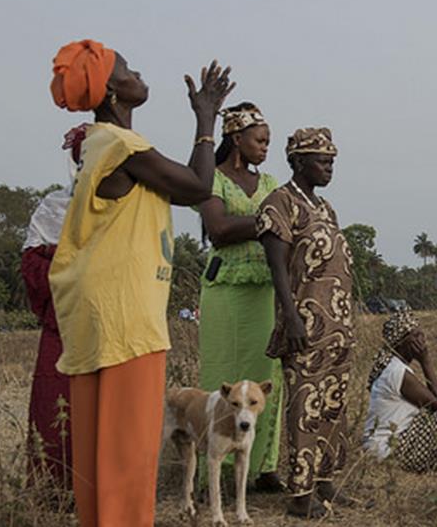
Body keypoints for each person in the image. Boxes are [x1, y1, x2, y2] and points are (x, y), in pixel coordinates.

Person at [48, 39, 234, 526]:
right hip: (125, 313)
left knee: (98, 446)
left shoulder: (100, 145)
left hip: (97, 311)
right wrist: (207, 118)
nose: (139, 73)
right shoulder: (124, 146)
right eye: (129, 70)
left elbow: (179, 187)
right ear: (113, 90)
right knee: (128, 449)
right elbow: (197, 187)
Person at [258, 127, 355, 518]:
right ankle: (300, 497)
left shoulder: (326, 208)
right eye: (321, 160)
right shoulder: (279, 204)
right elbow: (277, 267)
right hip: (305, 324)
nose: (329, 167)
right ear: (298, 162)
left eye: (332, 161)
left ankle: (327, 485)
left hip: (338, 324)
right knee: (304, 406)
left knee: (333, 406)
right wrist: (292, 317)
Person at [196, 102, 284, 491]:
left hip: (264, 289)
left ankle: (263, 466)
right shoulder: (211, 179)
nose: (265, 147)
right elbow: (218, 228)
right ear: (237, 138)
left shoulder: (269, 184)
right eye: (259, 140)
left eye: (268, 141)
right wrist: (269, 222)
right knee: (222, 377)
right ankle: (212, 467)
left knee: (266, 379)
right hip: (227, 290)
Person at [20, 124, 87, 491]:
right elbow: (32, 266)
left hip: (115, 325)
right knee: (56, 404)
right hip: (63, 326)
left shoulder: (127, 207)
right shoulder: (54, 207)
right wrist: (75, 270)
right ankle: (55, 487)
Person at [363, 310, 437, 473]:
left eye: (421, 335)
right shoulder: (397, 372)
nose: (422, 341)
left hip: (382, 446)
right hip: (387, 449)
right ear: (400, 342)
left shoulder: (393, 367)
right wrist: (426, 362)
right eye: (416, 336)